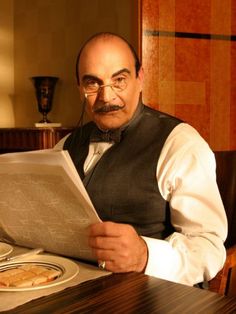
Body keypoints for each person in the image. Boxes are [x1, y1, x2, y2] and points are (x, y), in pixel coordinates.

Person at [55, 32, 227, 286]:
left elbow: (209, 246)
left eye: (120, 80)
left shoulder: (181, 143)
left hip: (153, 299)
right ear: (80, 88)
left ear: (140, 78)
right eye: (93, 83)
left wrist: (145, 256)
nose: (107, 97)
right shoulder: (65, 145)